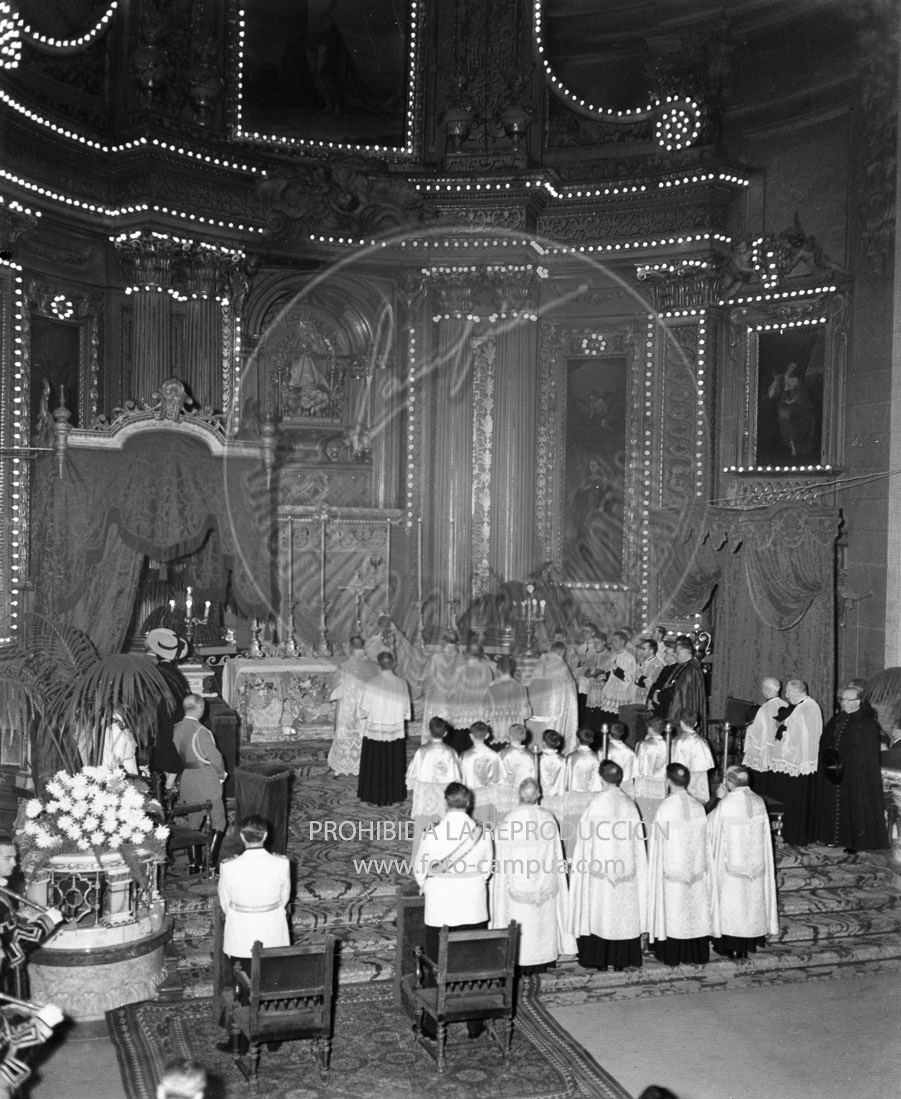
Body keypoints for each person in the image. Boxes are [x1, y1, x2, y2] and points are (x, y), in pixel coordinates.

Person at [413, 783, 494, 1039]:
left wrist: (427, 884)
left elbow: (419, 870)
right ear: (468, 803)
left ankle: (430, 1026)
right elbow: (487, 870)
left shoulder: (433, 833)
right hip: (473, 906)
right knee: (472, 965)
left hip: (441, 909)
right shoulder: (483, 833)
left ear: (445, 802)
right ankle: (474, 1023)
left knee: (437, 966)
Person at [569, 760, 648, 971]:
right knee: (620, 913)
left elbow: (585, 840)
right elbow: (638, 844)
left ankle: (599, 959)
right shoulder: (630, 805)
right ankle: (621, 960)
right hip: (625, 873)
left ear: (601, 778)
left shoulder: (596, 804)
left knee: (600, 912)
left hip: (600, 874)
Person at [490, 779, 576, 972]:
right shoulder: (548, 818)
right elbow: (556, 855)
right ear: (538, 795)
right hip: (545, 885)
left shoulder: (509, 821)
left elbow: (499, 858)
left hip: (519, 886)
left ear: (518, 795)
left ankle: (519, 960)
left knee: (522, 923)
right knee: (542, 923)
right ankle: (545, 959)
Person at [707, 766, 779, 959]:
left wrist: (718, 799)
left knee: (732, 904)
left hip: (730, 866)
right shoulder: (758, 802)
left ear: (729, 783)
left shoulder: (727, 803)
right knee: (749, 903)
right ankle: (746, 945)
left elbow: (710, 827)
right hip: (755, 866)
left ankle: (729, 946)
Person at [647, 763, 712, 966]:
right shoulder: (698, 806)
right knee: (695, 910)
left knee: (674, 911)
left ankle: (671, 954)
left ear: (667, 781)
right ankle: (695, 953)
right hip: (696, 871)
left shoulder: (666, 807)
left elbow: (657, 842)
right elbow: (706, 842)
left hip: (672, 871)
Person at [812, 685, 888, 852]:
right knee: (834, 804)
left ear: (858, 702)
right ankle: (832, 838)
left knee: (853, 807)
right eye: (842, 699)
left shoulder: (867, 724)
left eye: (848, 700)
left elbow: (865, 755)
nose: (843, 703)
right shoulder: (838, 718)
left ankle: (855, 842)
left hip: (855, 775)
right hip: (835, 771)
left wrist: (847, 763)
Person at [754, 678, 822, 846]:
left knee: (790, 799)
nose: (786, 695)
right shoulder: (811, 705)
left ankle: (790, 834)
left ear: (796, 691)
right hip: (806, 762)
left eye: (788, 692)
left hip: (796, 763)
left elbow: (793, 738)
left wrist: (781, 741)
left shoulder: (803, 709)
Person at [218, 816, 290, 961]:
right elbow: (285, 897)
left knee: (243, 972)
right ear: (265, 835)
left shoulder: (228, 866)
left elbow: (225, 901)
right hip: (273, 931)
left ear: (242, 837)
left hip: (240, 934)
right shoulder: (282, 863)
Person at [0, 835, 63, 991]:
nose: (14, 864)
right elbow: (15, 942)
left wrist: (20, 917)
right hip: (6, 980)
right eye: (8, 858)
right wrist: (47, 921)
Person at [172, 694, 226, 874]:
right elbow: (216, 758)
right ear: (201, 710)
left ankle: (194, 864)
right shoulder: (202, 731)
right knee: (219, 821)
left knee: (193, 822)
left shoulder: (177, 728)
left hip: (188, 778)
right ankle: (210, 864)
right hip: (206, 779)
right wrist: (221, 774)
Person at [357, 651, 411, 807]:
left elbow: (364, 709)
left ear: (378, 664)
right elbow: (406, 710)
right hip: (394, 729)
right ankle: (394, 798)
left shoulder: (372, 683)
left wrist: (363, 713)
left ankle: (370, 798)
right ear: (393, 663)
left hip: (376, 728)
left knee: (374, 762)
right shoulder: (402, 683)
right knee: (393, 762)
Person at [406, 717, 462, 855]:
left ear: (428, 731)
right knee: (445, 828)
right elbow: (457, 779)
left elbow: (411, 777)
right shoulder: (451, 752)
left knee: (423, 827)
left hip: (425, 796)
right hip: (444, 795)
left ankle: (420, 859)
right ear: (446, 733)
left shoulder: (422, 751)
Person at [145, 627, 189, 799]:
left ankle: (165, 788)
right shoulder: (175, 672)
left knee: (163, 750)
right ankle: (168, 786)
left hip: (160, 717)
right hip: (175, 716)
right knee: (171, 749)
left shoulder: (156, 671)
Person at [327, 636, 378, 776]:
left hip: (348, 708)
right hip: (366, 707)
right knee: (364, 732)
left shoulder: (343, 667)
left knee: (348, 731)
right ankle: (367, 761)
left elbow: (335, 688)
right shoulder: (373, 666)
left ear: (349, 647)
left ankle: (344, 762)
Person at [526, 641, 579, 754]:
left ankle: (534, 748)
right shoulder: (560, 663)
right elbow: (570, 687)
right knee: (552, 728)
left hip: (537, 705)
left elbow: (532, 682)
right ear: (560, 651)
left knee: (538, 729)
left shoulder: (541, 661)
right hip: (554, 705)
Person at [446, 642, 494, 751]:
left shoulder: (460, 669)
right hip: (479, 714)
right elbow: (489, 691)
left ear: (466, 653)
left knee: (459, 748)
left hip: (461, 714)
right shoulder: (486, 669)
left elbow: (450, 690)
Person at [419, 632, 463, 743]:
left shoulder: (435, 657)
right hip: (455, 696)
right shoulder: (461, 659)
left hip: (437, 696)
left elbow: (427, 676)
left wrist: (424, 688)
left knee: (436, 722)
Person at [660, 637, 707, 730]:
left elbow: (680, 691)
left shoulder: (690, 670)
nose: (675, 656)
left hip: (685, 709)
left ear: (685, 653)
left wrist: (660, 696)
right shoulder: (685, 666)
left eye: (677, 653)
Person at [593, 629, 637, 730]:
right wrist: (605, 676)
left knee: (615, 722)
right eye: (612, 640)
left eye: (615, 640)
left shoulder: (629, 658)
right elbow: (611, 673)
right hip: (610, 691)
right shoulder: (613, 655)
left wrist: (615, 668)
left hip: (620, 694)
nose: (612, 643)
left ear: (622, 641)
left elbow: (628, 678)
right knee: (605, 720)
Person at [459, 721, 501, 827]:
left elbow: (460, 778)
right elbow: (500, 778)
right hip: (490, 797)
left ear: (470, 736)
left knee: (472, 827)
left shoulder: (465, 756)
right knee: (488, 825)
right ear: (487, 735)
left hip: (471, 797)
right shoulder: (494, 755)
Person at [483, 656, 531, 744]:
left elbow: (485, 714)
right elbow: (525, 713)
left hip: (497, 730)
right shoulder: (521, 687)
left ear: (498, 670)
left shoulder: (491, 688)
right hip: (515, 731)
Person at [671, 709, 715, 805]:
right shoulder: (702, 740)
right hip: (699, 776)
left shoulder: (678, 741)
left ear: (681, 723)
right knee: (698, 801)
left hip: (683, 776)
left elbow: (675, 763)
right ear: (696, 724)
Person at [741, 677, 785, 773]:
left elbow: (757, 731)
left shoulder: (765, 708)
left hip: (766, 750)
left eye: (762, 688)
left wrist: (749, 727)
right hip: (780, 751)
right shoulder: (786, 705)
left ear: (767, 690)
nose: (761, 690)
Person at [634, 716, 669, 826]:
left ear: (650, 728)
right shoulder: (667, 744)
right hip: (661, 783)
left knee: (644, 815)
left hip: (645, 784)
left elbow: (638, 767)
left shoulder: (644, 744)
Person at [100, 710, 140, 776]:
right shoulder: (116, 728)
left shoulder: (124, 728)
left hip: (128, 765)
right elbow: (117, 754)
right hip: (124, 768)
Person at [604, 722, 636, 797]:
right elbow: (633, 773)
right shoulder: (630, 752)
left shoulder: (605, 750)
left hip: (610, 785)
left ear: (608, 734)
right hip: (625, 786)